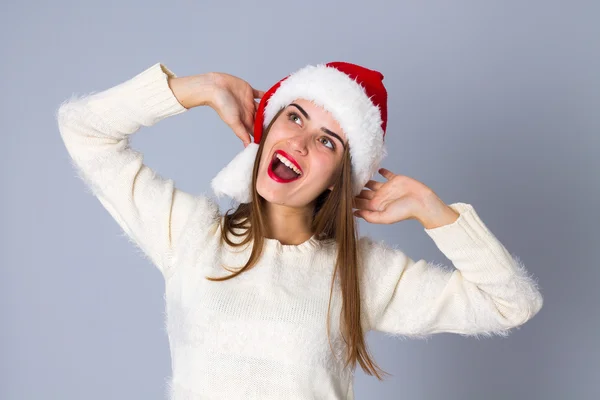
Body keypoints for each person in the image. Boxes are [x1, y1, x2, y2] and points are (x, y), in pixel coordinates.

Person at [56, 61, 543, 399]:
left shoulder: (361, 274)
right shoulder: (190, 234)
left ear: (341, 178)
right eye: (294, 116)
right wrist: (200, 88)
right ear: (266, 130)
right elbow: (83, 129)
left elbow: (511, 303)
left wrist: (434, 211)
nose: (301, 141)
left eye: (327, 141)